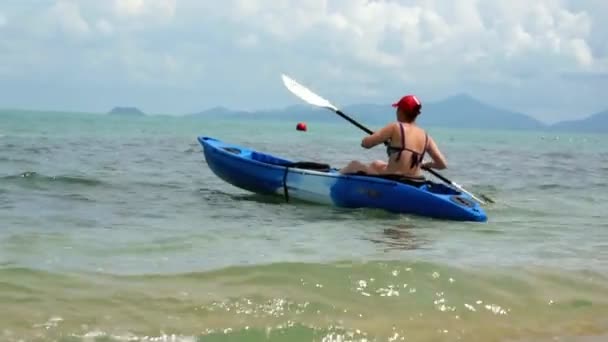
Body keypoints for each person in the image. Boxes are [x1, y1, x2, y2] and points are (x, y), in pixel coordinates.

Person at [339, 94, 447, 180]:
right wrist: (425, 164)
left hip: (394, 178)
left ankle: (333, 180)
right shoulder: (426, 136)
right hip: (416, 180)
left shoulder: (395, 127)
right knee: (377, 163)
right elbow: (442, 164)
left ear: (400, 111)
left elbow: (365, 144)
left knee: (355, 165)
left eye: (397, 109)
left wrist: (377, 136)